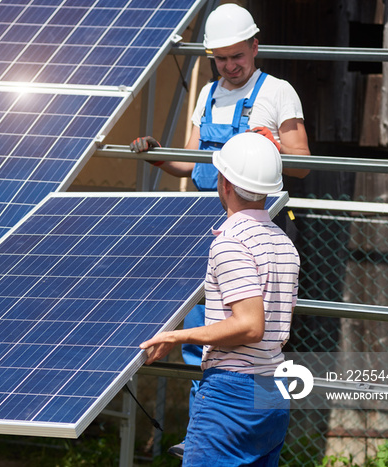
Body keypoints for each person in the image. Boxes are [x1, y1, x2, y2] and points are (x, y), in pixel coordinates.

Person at [130, 3, 309, 458]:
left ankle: (214, 429)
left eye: (237, 55)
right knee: (205, 323)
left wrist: (267, 145)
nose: (230, 65)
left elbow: (303, 161)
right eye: (221, 58)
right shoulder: (208, 92)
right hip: (207, 223)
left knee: (239, 325)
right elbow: (189, 164)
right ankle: (201, 426)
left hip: (252, 220)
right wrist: (154, 153)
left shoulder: (278, 92)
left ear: (254, 45)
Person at [139, 132, 300, 466]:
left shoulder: (230, 243)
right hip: (274, 391)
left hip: (231, 396)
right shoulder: (285, 243)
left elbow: (250, 325)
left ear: (224, 182)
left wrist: (178, 335)